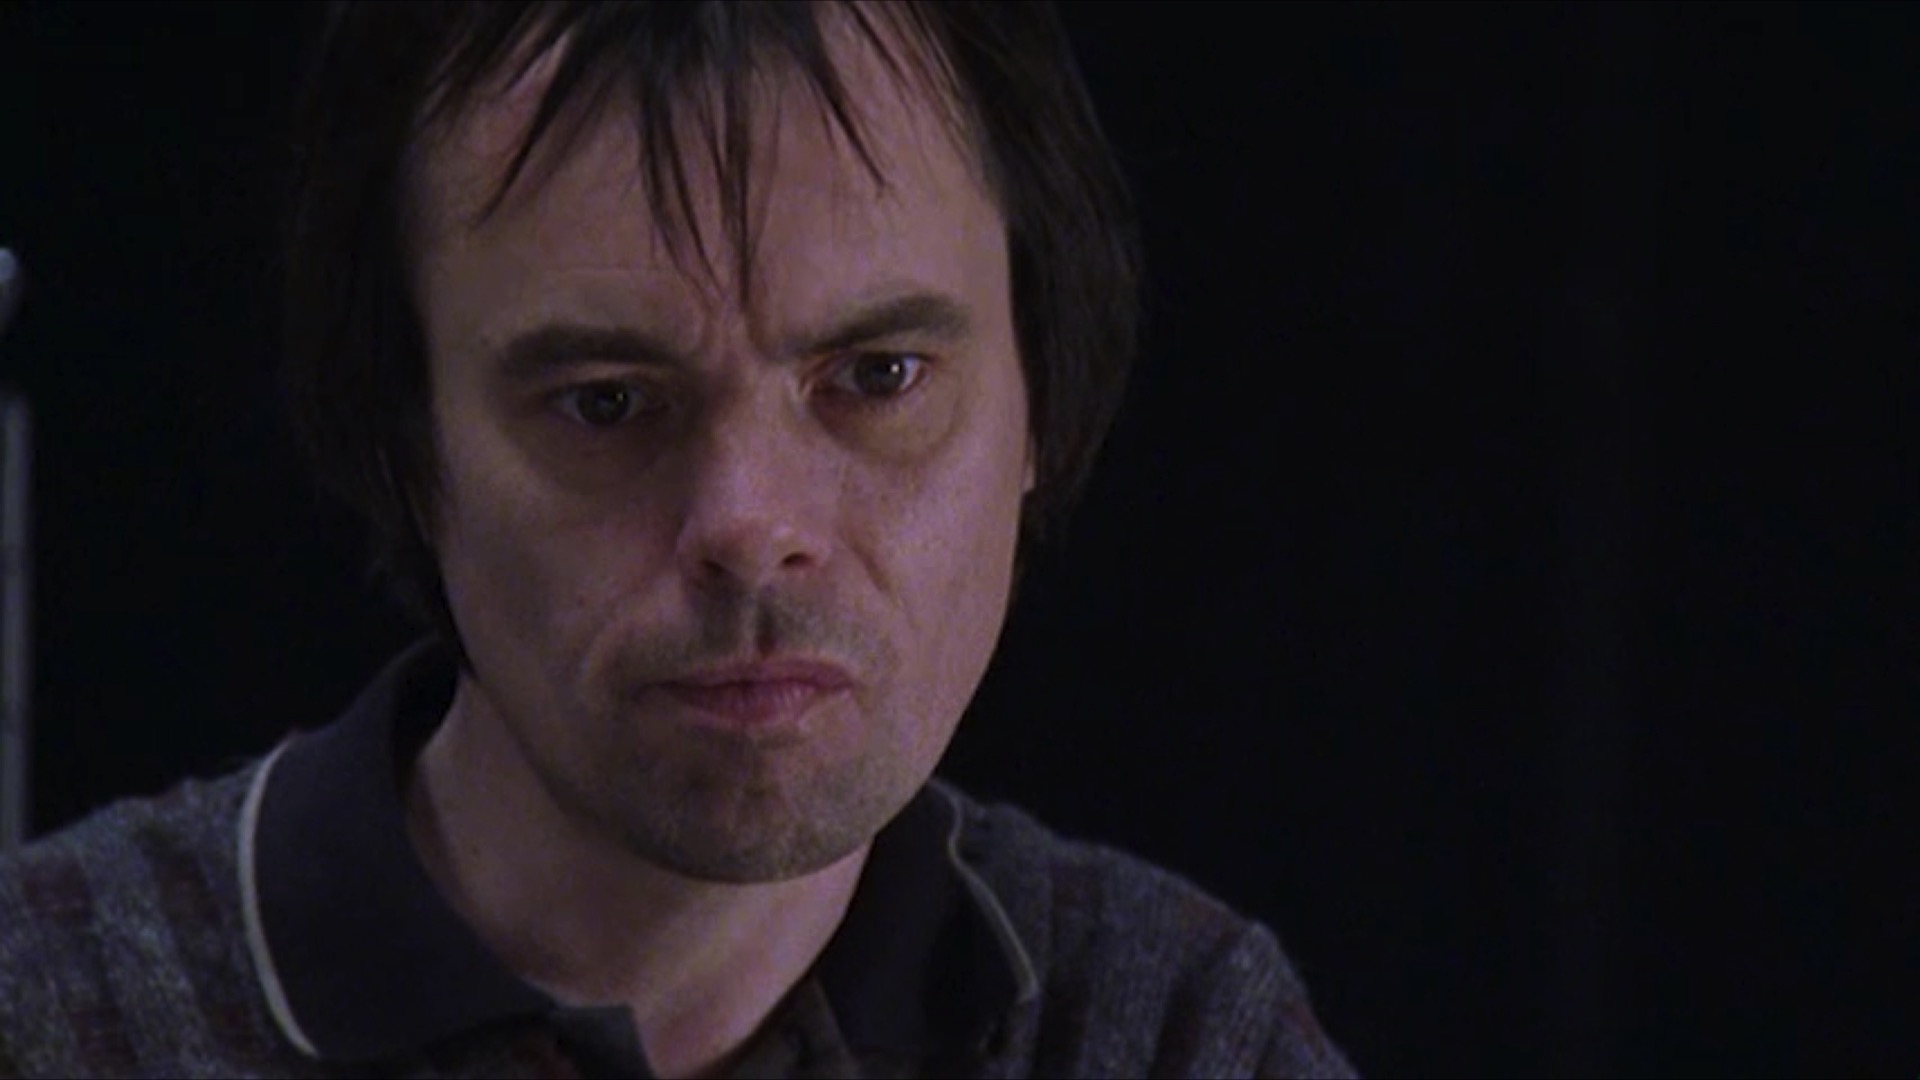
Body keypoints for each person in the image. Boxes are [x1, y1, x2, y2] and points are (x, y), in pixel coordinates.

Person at [0, 4, 1354, 1076]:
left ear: (1039, 401)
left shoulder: (1175, 1033)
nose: (750, 527)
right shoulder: (45, 1013)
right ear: (407, 446)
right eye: (606, 403)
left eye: (878, 377)